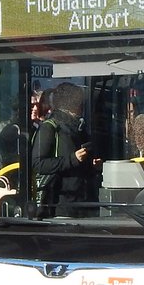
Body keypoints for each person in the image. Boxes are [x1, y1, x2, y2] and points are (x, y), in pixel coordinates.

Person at [30, 83, 97, 216]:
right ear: (71, 103)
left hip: (83, 202)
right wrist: (72, 159)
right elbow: (37, 164)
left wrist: (91, 164)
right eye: (79, 102)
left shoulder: (78, 127)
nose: (81, 107)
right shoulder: (50, 127)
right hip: (60, 204)